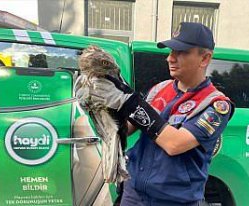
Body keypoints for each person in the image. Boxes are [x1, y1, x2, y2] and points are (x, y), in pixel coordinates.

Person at [87, 22, 234, 206]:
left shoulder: (216, 105)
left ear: (204, 59)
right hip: (134, 194)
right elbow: (125, 129)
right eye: (171, 51)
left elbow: (174, 144)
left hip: (174, 200)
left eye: (181, 52)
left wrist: (130, 102)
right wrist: (102, 106)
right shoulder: (159, 89)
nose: (170, 58)